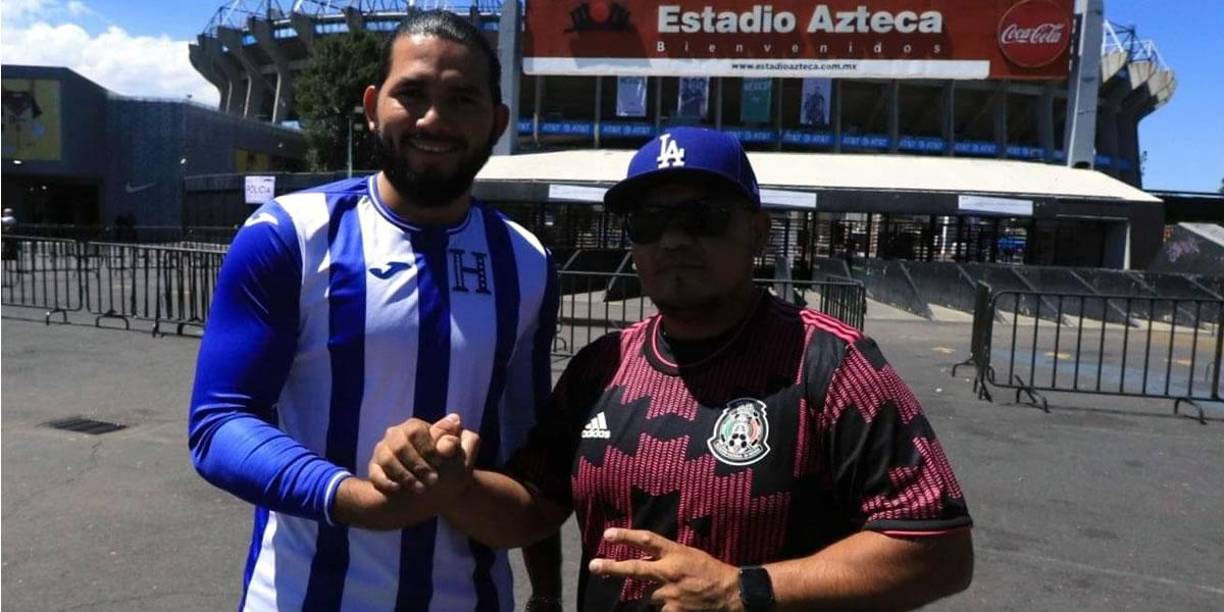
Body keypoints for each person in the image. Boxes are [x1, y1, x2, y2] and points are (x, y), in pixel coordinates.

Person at [371, 127, 975, 610]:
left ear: (758, 233)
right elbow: (531, 507)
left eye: (703, 217)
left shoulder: (830, 362)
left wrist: (747, 590)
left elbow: (939, 548)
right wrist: (455, 485)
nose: (674, 240)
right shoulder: (601, 366)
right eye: (649, 223)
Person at [188, 10, 562, 611]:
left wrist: (547, 590)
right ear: (371, 105)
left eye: (462, 99)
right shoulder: (289, 234)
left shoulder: (528, 260)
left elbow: (530, 453)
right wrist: (358, 498)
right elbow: (219, 424)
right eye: (411, 94)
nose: (434, 119)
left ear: (497, 122)